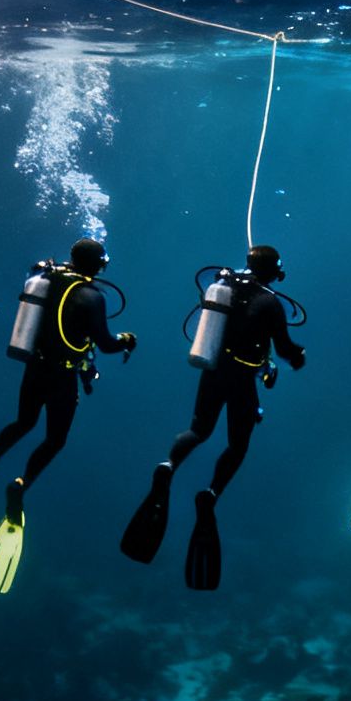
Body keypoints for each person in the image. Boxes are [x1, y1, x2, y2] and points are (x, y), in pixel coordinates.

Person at [0, 238, 135, 594]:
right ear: (98, 265)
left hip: (35, 367)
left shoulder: (46, 279)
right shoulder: (92, 297)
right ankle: (20, 485)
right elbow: (105, 342)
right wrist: (128, 339)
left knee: (23, 422)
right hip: (63, 375)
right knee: (54, 439)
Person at [120, 244, 303, 590]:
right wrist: (299, 357)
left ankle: (169, 466)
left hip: (212, 370)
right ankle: (211, 493)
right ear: (275, 272)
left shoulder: (225, 287)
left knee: (198, 429)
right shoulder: (270, 303)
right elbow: (283, 346)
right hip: (241, 380)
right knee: (238, 444)